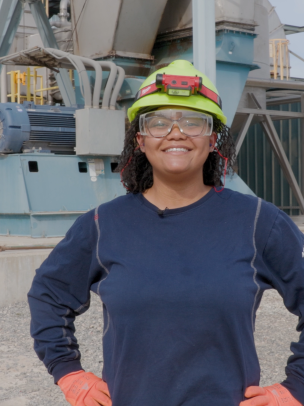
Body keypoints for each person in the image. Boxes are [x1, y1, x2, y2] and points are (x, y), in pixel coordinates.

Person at [28, 60, 304, 406]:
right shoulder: (103, 224)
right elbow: (48, 294)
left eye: (193, 121)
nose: (177, 132)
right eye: (158, 122)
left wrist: (296, 387)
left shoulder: (259, 221)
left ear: (213, 138)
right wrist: (68, 371)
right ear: (141, 140)